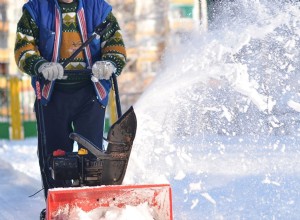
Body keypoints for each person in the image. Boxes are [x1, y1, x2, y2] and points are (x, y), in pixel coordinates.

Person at [14, 0, 126, 217]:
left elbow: (115, 43)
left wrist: (110, 62)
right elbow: (23, 48)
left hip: (90, 92)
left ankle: (91, 207)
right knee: (55, 155)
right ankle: (59, 208)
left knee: (91, 154)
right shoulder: (35, 9)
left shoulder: (99, 8)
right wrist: (40, 65)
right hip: (51, 94)